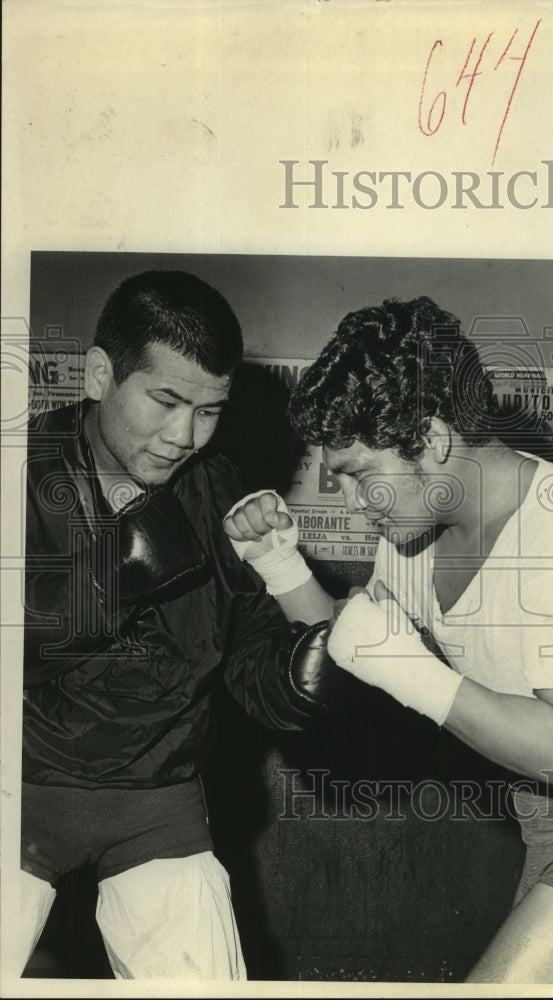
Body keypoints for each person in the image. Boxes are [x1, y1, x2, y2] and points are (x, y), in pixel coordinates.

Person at [223, 296, 553, 984]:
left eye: (360, 475)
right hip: (547, 827)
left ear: (434, 440)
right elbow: (355, 651)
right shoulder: (413, 542)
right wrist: (280, 564)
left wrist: (413, 673)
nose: (352, 503)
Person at [17, 270, 345, 981]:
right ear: (101, 374)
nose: (182, 437)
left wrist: (296, 671)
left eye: (208, 411)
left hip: (159, 798)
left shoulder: (215, 488)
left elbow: (247, 653)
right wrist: (115, 574)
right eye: (165, 400)